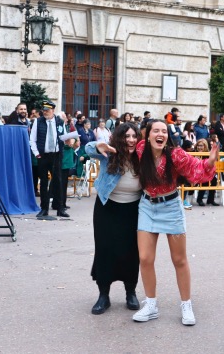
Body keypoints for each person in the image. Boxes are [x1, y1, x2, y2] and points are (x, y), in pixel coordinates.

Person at [132, 120, 218, 326]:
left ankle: (186, 305)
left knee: (179, 259)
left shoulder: (175, 154)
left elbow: (195, 167)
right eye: (156, 131)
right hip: (147, 206)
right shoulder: (140, 149)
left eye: (164, 131)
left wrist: (209, 162)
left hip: (171, 207)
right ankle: (151, 304)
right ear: (148, 135)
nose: (160, 134)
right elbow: (118, 150)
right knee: (145, 258)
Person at [85, 122, 143, 315]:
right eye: (127, 136)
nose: (131, 140)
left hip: (133, 209)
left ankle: (130, 293)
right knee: (105, 250)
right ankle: (103, 296)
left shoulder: (142, 157)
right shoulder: (110, 153)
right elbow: (88, 149)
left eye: (134, 136)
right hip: (107, 208)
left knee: (131, 251)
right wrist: (97, 146)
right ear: (119, 138)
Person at [29, 100, 70, 219]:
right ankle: (44, 208)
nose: (45, 112)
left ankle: (60, 208)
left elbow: (63, 136)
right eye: (44, 110)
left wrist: (68, 140)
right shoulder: (38, 122)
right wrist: (37, 153)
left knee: (58, 182)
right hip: (43, 155)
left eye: (47, 110)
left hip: (56, 155)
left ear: (53, 110)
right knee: (43, 182)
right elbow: (32, 140)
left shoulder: (59, 121)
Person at [192, 139, 219, 207]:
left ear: (205, 146)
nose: (199, 147)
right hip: (194, 174)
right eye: (198, 145)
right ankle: (199, 199)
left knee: (214, 180)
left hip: (206, 173)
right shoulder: (193, 153)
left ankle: (210, 200)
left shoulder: (207, 154)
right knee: (204, 181)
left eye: (201, 146)